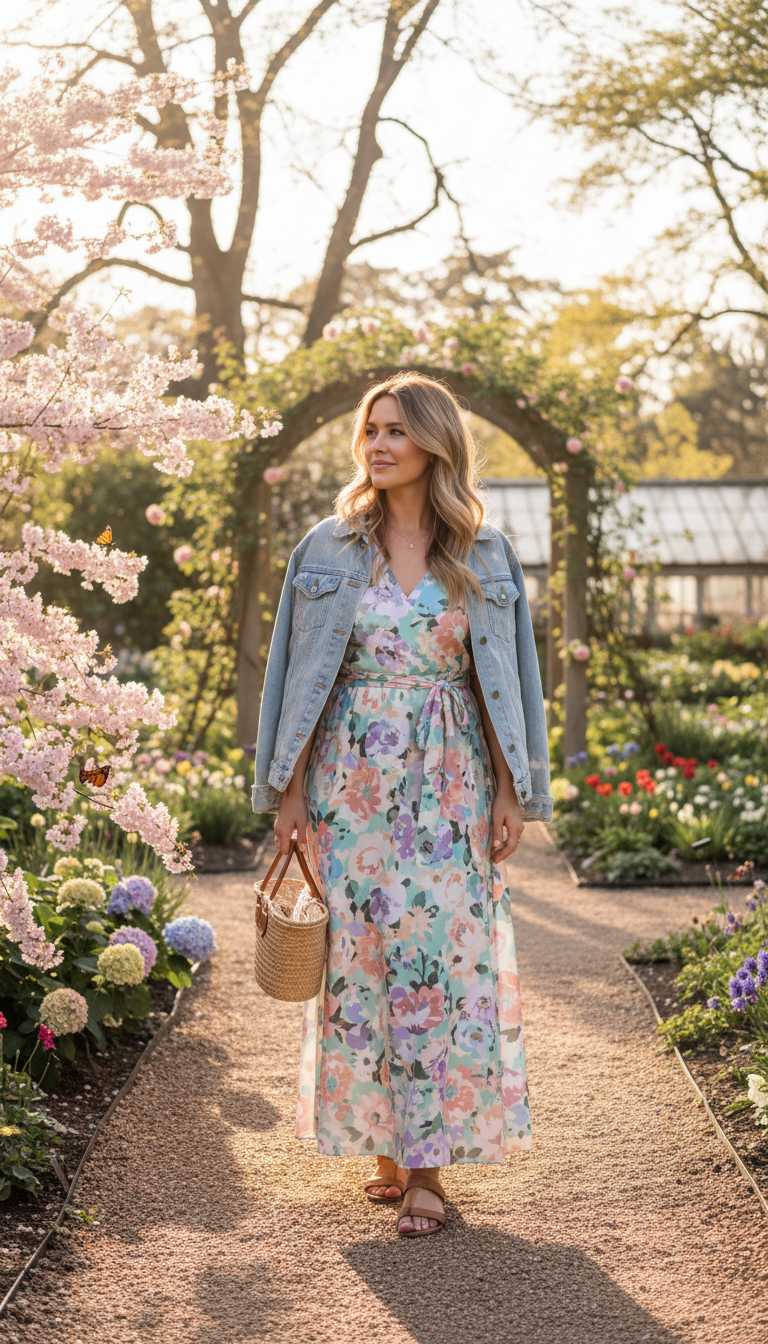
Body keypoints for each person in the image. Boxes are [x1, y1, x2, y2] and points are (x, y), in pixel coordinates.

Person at [252, 371, 552, 1236]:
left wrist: (510, 788)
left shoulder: (486, 553)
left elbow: (511, 679)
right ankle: (386, 1147)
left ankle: (430, 1171)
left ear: (433, 444)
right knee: (361, 962)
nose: (378, 445)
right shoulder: (326, 548)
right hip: (351, 778)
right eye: (370, 430)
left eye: (396, 431)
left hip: (453, 777)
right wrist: (290, 791)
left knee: (442, 962)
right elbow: (294, 677)